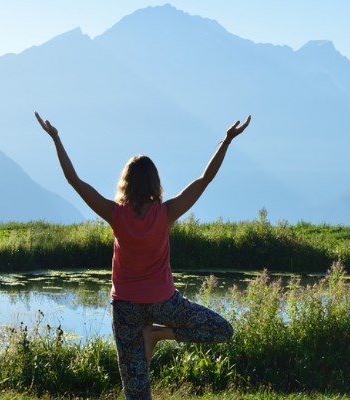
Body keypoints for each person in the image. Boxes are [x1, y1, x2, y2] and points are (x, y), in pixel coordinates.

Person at [35, 112, 251, 399]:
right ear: (154, 183)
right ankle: (158, 334)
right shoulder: (166, 213)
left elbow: (75, 181)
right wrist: (226, 140)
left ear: (126, 183)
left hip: (125, 307)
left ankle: (154, 335)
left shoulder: (115, 214)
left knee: (136, 391)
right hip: (164, 304)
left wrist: (57, 139)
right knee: (222, 330)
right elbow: (205, 179)